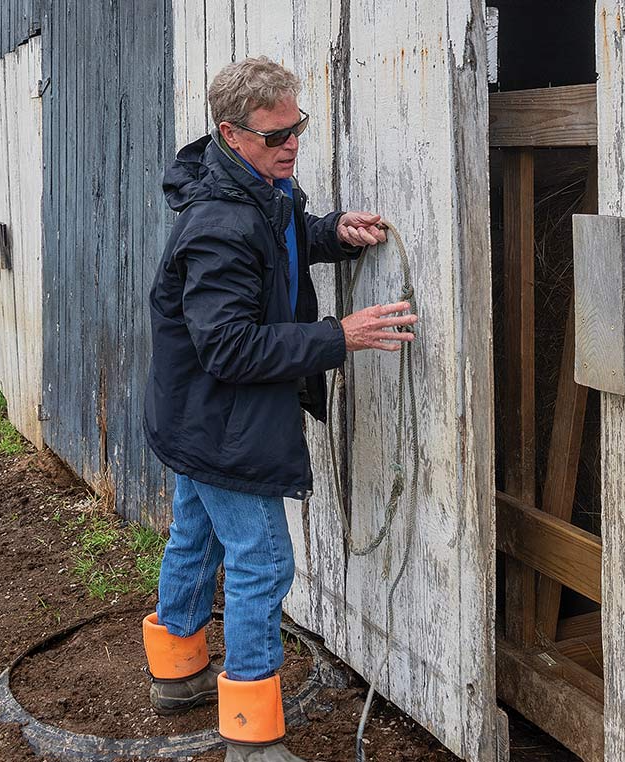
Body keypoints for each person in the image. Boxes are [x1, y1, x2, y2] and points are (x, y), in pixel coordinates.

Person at [141, 57, 418, 762]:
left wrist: (331, 233)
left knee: (195, 535)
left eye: (297, 126)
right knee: (262, 561)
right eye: (275, 136)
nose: (291, 143)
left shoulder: (265, 187)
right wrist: (338, 337)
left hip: (193, 417)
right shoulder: (218, 223)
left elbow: (282, 252)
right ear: (233, 135)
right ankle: (251, 737)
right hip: (220, 421)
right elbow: (228, 349)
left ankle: (176, 671)